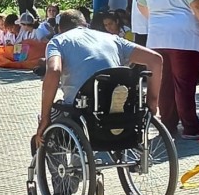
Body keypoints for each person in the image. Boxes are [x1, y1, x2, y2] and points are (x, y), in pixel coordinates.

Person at [33, 9, 163, 149]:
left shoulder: (58, 41)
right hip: (123, 104)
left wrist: (45, 115)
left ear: (60, 28)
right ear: (86, 24)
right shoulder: (111, 38)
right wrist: (152, 103)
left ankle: (64, 156)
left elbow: (54, 71)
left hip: (83, 107)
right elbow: (156, 60)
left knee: (53, 112)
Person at [137, 0, 199, 139]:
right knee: (184, 84)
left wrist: (158, 19)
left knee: (165, 83)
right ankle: (191, 127)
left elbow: (142, 7)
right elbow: (197, 6)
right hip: (184, 38)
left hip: (157, 37)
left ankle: (167, 125)